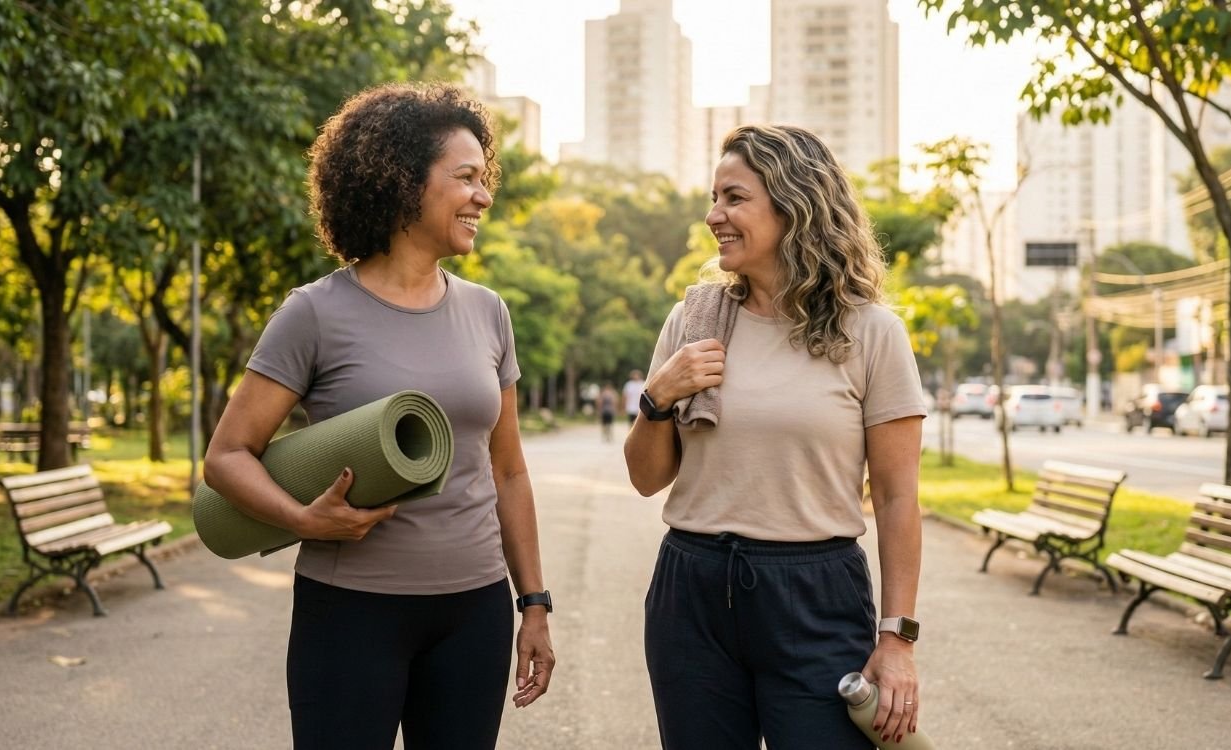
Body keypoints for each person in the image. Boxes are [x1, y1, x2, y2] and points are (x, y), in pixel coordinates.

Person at [203, 83, 554, 750]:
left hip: (473, 611)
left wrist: (533, 604)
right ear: (401, 181)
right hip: (351, 613)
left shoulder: (489, 312)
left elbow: (508, 472)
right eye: (466, 178)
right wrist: (303, 519)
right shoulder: (314, 313)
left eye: (487, 179)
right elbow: (226, 457)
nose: (484, 195)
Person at [623, 124, 927, 749]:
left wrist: (896, 639)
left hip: (813, 593)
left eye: (733, 198)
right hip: (693, 587)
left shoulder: (872, 333)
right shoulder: (693, 320)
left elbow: (898, 499)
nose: (714, 216)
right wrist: (659, 398)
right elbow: (646, 477)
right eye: (714, 198)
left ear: (796, 203)